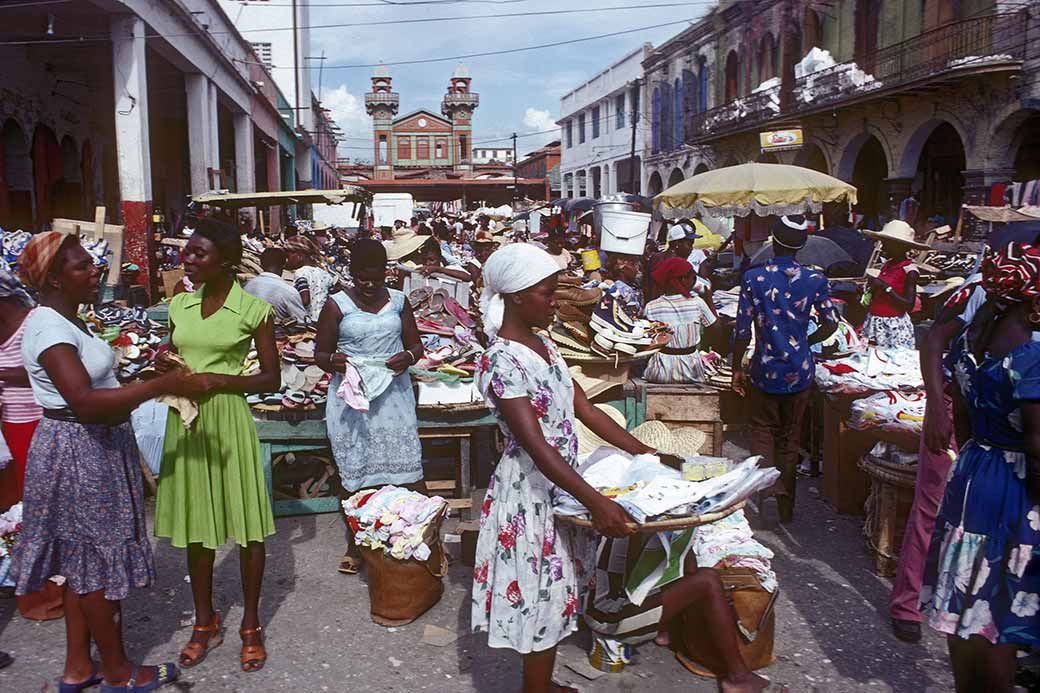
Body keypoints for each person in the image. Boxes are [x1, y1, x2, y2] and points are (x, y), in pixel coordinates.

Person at [472, 243, 688, 692]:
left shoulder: (543, 344)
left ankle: (542, 684)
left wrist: (644, 451)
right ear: (516, 296)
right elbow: (535, 445)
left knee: (555, 590)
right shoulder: (502, 360)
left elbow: (583, 407)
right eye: (547, 294)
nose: (555, 303)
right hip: (529, 492)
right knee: (539, 596)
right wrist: (596, 503)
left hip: (560, 483)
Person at [12, 232, 198, 691]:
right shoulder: (51, 328)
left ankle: (78, 669)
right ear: (53, 278)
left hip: (94, 445)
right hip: (80, 450)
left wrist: (145, 376)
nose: (94, 270)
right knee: (93, 567)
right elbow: (86, 402)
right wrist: (161, 386)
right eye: (81, 267)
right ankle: (118, 672)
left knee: (82, 564)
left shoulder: (69, 319)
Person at [154, 219, 281, 674]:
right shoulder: (179, 306)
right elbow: (176, 350)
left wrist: (218, 380)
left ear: (226, 261)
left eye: (198, 253)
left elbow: (271, 377)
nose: (187, 259)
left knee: (247, 527)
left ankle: (250, 625)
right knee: (196, 525)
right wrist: (165, 362)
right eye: (187, 252)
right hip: (186, 423)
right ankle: (204, 622)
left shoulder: (253, 311)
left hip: (229, 420)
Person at [921, 242, 1040, 691]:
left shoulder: (973, 347)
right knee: (1002, 618)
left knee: (970, 607)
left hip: (973, 474)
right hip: (1015, 487)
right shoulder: (1029, 358)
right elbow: (1037, 444)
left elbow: (967, 419)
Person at [315, 239, 424, 574]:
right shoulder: (336, 305)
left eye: (376, 276)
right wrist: (336, 361)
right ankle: (357, 544)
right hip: (353, 399)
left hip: (394, 395)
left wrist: (407, 357)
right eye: (363, 276)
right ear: (353, 273)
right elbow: (319, 354)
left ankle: (415, 538)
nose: (370, 283)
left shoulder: (399, 302)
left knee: (405, 473)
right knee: (358, 475)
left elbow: (416, 345)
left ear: (385, 273)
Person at [732, 216, 839, 523]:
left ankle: (767, 489)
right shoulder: (815, 280)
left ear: (773, 242)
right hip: (800, 369)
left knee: (762, 432)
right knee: (790, 438)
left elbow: (741, 330)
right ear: (801, 245)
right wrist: (807, 339)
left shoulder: (754, 278)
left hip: (764, 369)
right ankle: (786, 505)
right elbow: (831, 322)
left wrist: (735, 368)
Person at [0, 272, 41, 508]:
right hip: (10, 424)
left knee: (36, 499)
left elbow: (46, 372)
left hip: (39, 421)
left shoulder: (35, 323)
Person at [644, 257, 718, 384]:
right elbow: (716, 330)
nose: (694, 282)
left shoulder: (651, 306)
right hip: (691, 369)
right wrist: (709, 299)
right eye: (693, 278)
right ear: (683, 279)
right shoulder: (697, 303)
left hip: (661, 370)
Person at [862, 220, 927, 350]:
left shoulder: (910, 271)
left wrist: (885, 287)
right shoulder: (887, 265)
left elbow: (908, 304)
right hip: (876, 321)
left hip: (893, 326)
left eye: (886, 244)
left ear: (899, 246)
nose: (883, 248)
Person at [243, 248, 307, 322]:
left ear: (261, 263)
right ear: (284, 264)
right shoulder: (289, 292)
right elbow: (302, 322)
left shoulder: (247, 286)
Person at [285, 235, 335, 322]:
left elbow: (305, 299)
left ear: (299, 256)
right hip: (324, 319)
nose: (287, 260)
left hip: (310, 320)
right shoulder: (325, 274)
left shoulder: (301, 273)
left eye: (288, 256)